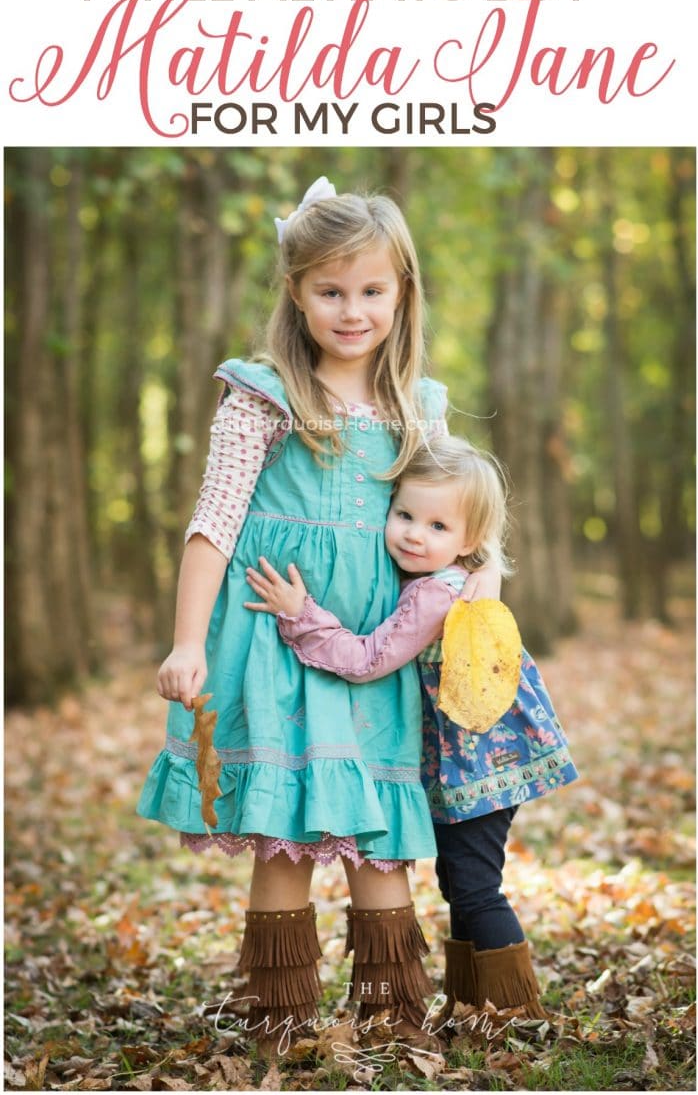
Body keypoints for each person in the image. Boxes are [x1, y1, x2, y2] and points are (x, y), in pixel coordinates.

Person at [136, 178, 501, 1051]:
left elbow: (460, 528)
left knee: (381, 826)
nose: (351, 310)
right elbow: (213, 521)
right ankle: (283, 1017)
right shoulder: (261, 396)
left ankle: (390, 1015)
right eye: (329, 291)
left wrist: (480, 596)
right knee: (286, 834)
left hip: (379, 641)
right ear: (295, 292)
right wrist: (188, 641)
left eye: (372, 290)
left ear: (401, 293)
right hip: (273, 633)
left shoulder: (423, 408)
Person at [245, 434, 579, 1023]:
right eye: (404, 515)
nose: (414, 535)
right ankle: (478, 1007)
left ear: (470, 542)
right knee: (461, 880)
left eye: (437, 527)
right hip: (475, 763)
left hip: (480, 765)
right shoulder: (448, 576)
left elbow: (368, 659)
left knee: (475, 885)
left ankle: (514, 1014)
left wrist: (301, 615)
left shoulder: (435, 594)